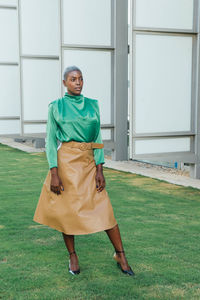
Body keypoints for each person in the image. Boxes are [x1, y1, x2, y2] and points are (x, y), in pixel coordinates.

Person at [33, 66, 134, 276]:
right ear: (64, 83)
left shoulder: (93, 105)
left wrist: (100, 169)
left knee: (104, 208)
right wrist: (54, 172)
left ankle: (120, 255)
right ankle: (73, 256)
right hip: (66, 163)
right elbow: (50, 141)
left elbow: (97, 139)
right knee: (67, 212)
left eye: (80, 79)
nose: (78, 83)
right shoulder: (56, 107)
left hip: (89, 163)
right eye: (73, 79)